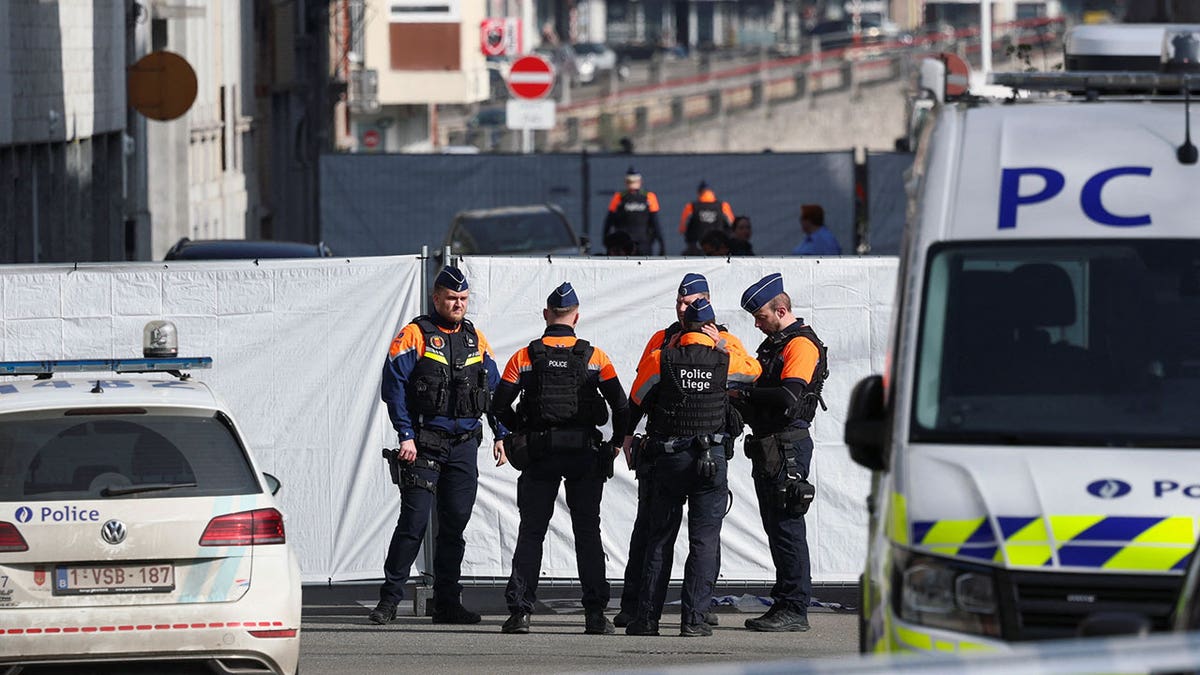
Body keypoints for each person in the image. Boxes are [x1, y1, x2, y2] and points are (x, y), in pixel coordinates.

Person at [613, 273, 755, 630]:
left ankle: (646, 619)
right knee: (704, 541)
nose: (682, 305)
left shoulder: (661, 354)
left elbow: (635, 400)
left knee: (659, 538)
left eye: (688, 301)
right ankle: (693, 619)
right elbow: (755, 374)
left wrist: (625, 437)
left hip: (669, 456)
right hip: (710, 458)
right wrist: (721, 346)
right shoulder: (726, 356)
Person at [490, 282, 630, 636]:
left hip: (539, 453)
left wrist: (518, 431)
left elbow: (498, 405)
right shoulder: (595, 356)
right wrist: (614, 442)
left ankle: (520, 612)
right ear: (577, 318)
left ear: (546, 315)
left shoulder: (525, 356)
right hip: (584, 455)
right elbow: (621, 405)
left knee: (532, 532)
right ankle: (596, 615)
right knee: (587, 532)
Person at [372, 265, 508, 626]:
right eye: (451, 298)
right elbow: (393, 387)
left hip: (464, 445)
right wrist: (405, 435)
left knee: (455, 526)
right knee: (413, 522)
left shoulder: (475, 339)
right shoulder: (414, 334)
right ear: (436, 298)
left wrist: (501, 434)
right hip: (424, 445)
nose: (458, 304)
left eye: (463, 299)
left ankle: (448, 603)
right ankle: (389, 601)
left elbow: (492, 390)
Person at [732, 273, 830, 632]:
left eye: (761, 317)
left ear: (782, 309)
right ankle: (784, 601)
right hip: (770, 443)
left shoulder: (800, 345)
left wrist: (741, 395)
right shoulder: (775, 344)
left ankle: (794, 607)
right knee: (776, 526)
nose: (757, 325)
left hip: (787, 444)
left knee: (787, 527)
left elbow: (789, 396)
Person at [603, 167, 664, 256]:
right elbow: (609, 221)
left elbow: (655, 223)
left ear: (640, 181)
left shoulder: (649, 197)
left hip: (642, 243)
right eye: (630, 181)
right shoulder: (618, 197)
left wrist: (661, 244)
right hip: (624, 244)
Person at [679, 181, 735, 255]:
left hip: (697, 249)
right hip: (719, 250)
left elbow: (682, 229)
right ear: (712, 192)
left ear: (699, 192)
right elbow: (734, 227)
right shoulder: (723, 206)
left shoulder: (690, 207)